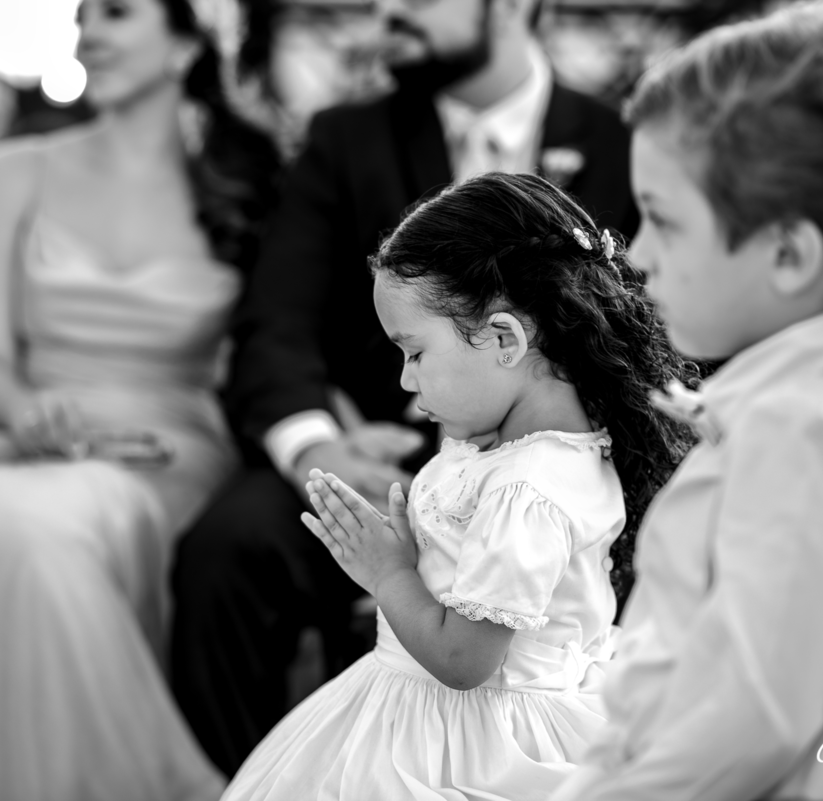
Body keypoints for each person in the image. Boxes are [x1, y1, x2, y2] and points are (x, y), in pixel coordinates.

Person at [171, 0, 639, 776]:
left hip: (559, 458)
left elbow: (652, 333)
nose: (391, 10)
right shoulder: (342, 138)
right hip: (369, 456)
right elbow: (275, 324)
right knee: (227, 550)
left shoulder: (621, 143)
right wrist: (319, 445)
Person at [0, 0, 280, 799]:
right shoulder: (17, 168)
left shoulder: (248, 178)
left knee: (37, 538)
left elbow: (278, 344)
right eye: (83, 17)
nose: (89, 34)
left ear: (190, 44)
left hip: (166, 443)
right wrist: (24, 412)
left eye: (117, 14)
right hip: (27, 433)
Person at [550, 4, 823, 800]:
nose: (640, 254)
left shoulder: (804, 431)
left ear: (789, 254)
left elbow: (747, 723)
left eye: (662, 219)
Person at [220, 171, 695, 800]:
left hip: (468, 746)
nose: (405, 381)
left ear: (504, 339)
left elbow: (465, 662)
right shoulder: (504, 450)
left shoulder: (528, 490)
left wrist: (390, 575)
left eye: (414, 353)